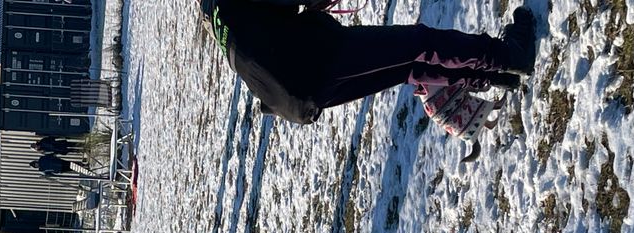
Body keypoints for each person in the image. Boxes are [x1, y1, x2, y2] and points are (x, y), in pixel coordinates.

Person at [198, 1, 537, 125]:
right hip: (314, 64)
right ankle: (509, 56)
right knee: (419, 43)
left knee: (406, 66)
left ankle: (490, 74)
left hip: (294, 97)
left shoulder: (216, 13)